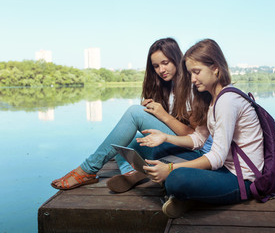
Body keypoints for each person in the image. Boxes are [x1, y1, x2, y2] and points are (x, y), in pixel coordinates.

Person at [51, 38, 211, 192]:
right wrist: (152, 114)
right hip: (176, 149)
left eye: (165, 63)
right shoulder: (169, 88)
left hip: (196, 155)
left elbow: (195, 138)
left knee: (134, 113)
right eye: (156, 66)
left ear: (177, 59)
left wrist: (162, 116)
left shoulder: (192, 88)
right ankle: (131, 173)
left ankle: (88, 169)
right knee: (123, 145)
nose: (161, 70)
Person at [136, 39, 264, 218]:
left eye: (196, 72)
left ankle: (188, 196)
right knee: (158, 151)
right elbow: (198, 139)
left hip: (242, 179)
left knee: (175, 179)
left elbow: (217, 157)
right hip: (223, 169)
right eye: (190, 73)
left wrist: (171, 169)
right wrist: (165, 137)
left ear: (215, 68)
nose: (192, 79)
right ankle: (191, 197)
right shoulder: (211, 99)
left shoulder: (227, 101)